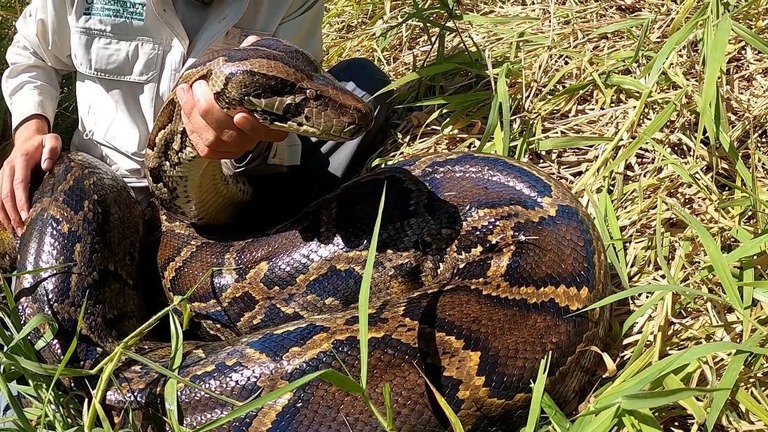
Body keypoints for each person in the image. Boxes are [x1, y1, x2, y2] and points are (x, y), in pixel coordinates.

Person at [0, 0, 392, 236]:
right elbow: (33, 54)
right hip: (115, 186)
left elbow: (302, 85)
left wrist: (245, 147)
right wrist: (31, 129)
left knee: (363, 90)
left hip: (239, 179)